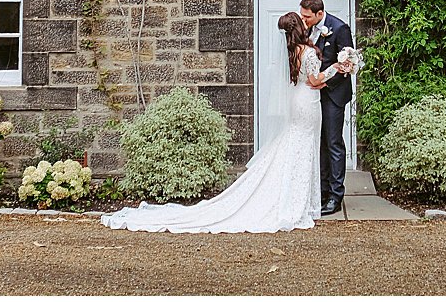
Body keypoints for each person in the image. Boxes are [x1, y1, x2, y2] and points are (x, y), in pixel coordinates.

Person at [102, 12, 350, 233]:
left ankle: (303, 196)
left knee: (298, 146)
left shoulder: (292, 50)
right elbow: (315, 80)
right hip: (308, 102)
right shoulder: (307, 52)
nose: (307, 23)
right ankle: (298, 201)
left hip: (300, 102)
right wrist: (337, 68)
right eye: (303, 20)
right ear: (299, 28)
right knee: (303, 147)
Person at [299, 0, 354, 216]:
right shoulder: (307, 29)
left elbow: (349, 64)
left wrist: (325, 82)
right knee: (318, 142)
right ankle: (320, 191)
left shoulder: (339, 28)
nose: (304, 20)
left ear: (320, 14)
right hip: (313, 95)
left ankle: (335, 195)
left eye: (307, 17)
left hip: (333, 94)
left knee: (333, 142)